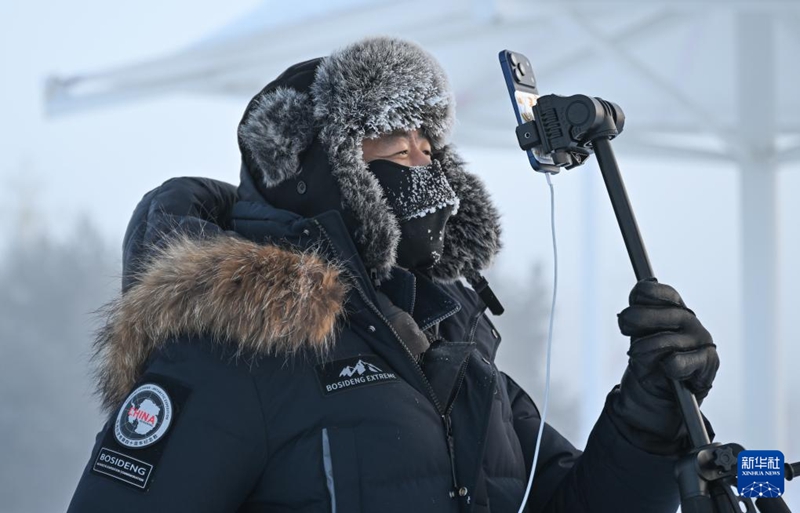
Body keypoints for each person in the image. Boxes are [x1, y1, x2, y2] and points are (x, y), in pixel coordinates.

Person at [67, 36, 718, 512]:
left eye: (428, 138)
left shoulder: (452, 344)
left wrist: (646, 420)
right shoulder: (231, 349)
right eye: (390, 134)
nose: (422, 152)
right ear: (315, 166)